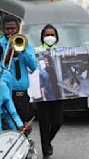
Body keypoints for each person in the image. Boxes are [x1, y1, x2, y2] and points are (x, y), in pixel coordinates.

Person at [0, 15, 37, 123]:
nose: (10, 32)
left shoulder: (25, 43)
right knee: (8, 125)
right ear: (3, 29)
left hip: (22, 93)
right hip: (6, 91)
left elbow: (33, 66)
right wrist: (8, 55)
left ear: (18, 28)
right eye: (7, 29)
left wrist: (23, 51)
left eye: (13, 29)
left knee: (24, 124)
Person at [35, 24, 63, 159]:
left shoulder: (62, 51)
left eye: (52, 35)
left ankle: (48, 142)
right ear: (42, 37)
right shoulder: (36, 51)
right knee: (44, 123)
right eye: (47, 35)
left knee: (57, 121)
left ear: (57, 37)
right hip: (43, 93)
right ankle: (46, 151)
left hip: (57, 93)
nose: (50, 37)